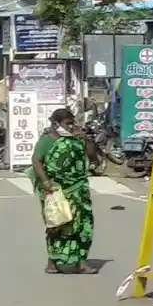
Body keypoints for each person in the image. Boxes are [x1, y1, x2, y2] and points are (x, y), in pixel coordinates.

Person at [32, 108, 94, 274]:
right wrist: (45, 181)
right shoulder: (47, 140)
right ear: (56, 124)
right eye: (67, 123)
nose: (71, 126)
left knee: (83, 226)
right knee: (57, 225)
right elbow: (36, 161)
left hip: (78, 189)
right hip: (55, 189)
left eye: (72, 123)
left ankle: (81, 262)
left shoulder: (76, 140)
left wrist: (86, 141)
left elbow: (92, 157)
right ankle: (52, 261)